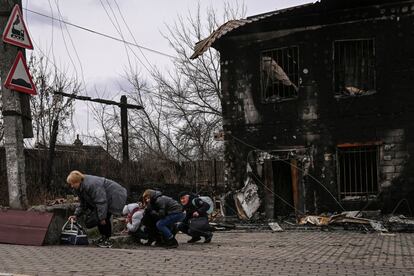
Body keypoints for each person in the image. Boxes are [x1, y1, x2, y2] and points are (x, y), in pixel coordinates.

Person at [66, 170, 127, 248]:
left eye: (72, 184)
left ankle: (107, 239)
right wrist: (76, 215)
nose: (71, 186)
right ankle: (103, 237)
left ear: (77, 182)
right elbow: (83, 204)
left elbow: (101, 201)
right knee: (96, 219)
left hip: (114, 196)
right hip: (104, 199)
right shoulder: (80, 188)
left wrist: (102, 217)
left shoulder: (92, 184)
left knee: (104, 218)